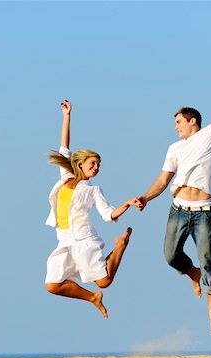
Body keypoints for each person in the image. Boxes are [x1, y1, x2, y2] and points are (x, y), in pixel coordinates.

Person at [138, 51, 211, 335]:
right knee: (170, 256)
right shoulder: (174, 149)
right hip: (178, 208)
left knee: (208, 259)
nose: (175, 126)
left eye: (178, 121)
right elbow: (162, 180)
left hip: (203, 211)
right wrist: (145, 197)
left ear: (193, 121)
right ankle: (191, 274)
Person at [45, 100, 141, 319]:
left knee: (104, 281)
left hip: (84, 240)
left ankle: (120, 245)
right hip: (64, 241)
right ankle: (92, 298)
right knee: (52, 285)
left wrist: (127, 203)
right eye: (93, 164)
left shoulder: (93, 190)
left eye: (98, 165)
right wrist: (67, 116)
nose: (96, 168)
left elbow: (108, 214)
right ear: (80, 164)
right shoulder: (65, 178)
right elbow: (64, 147)